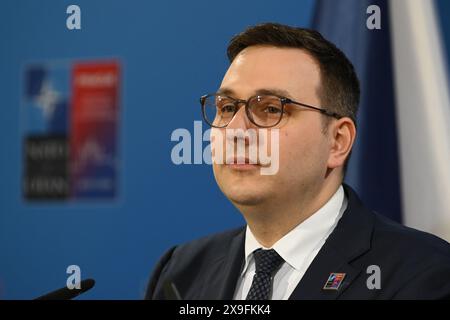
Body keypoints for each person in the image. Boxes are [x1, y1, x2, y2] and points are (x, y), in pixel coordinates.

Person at [146, 23, 450, 300]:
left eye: (269, 109)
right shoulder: (180, 271)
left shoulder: (422, 274)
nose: (236, 130)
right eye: (226, 108)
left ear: (337, 141)